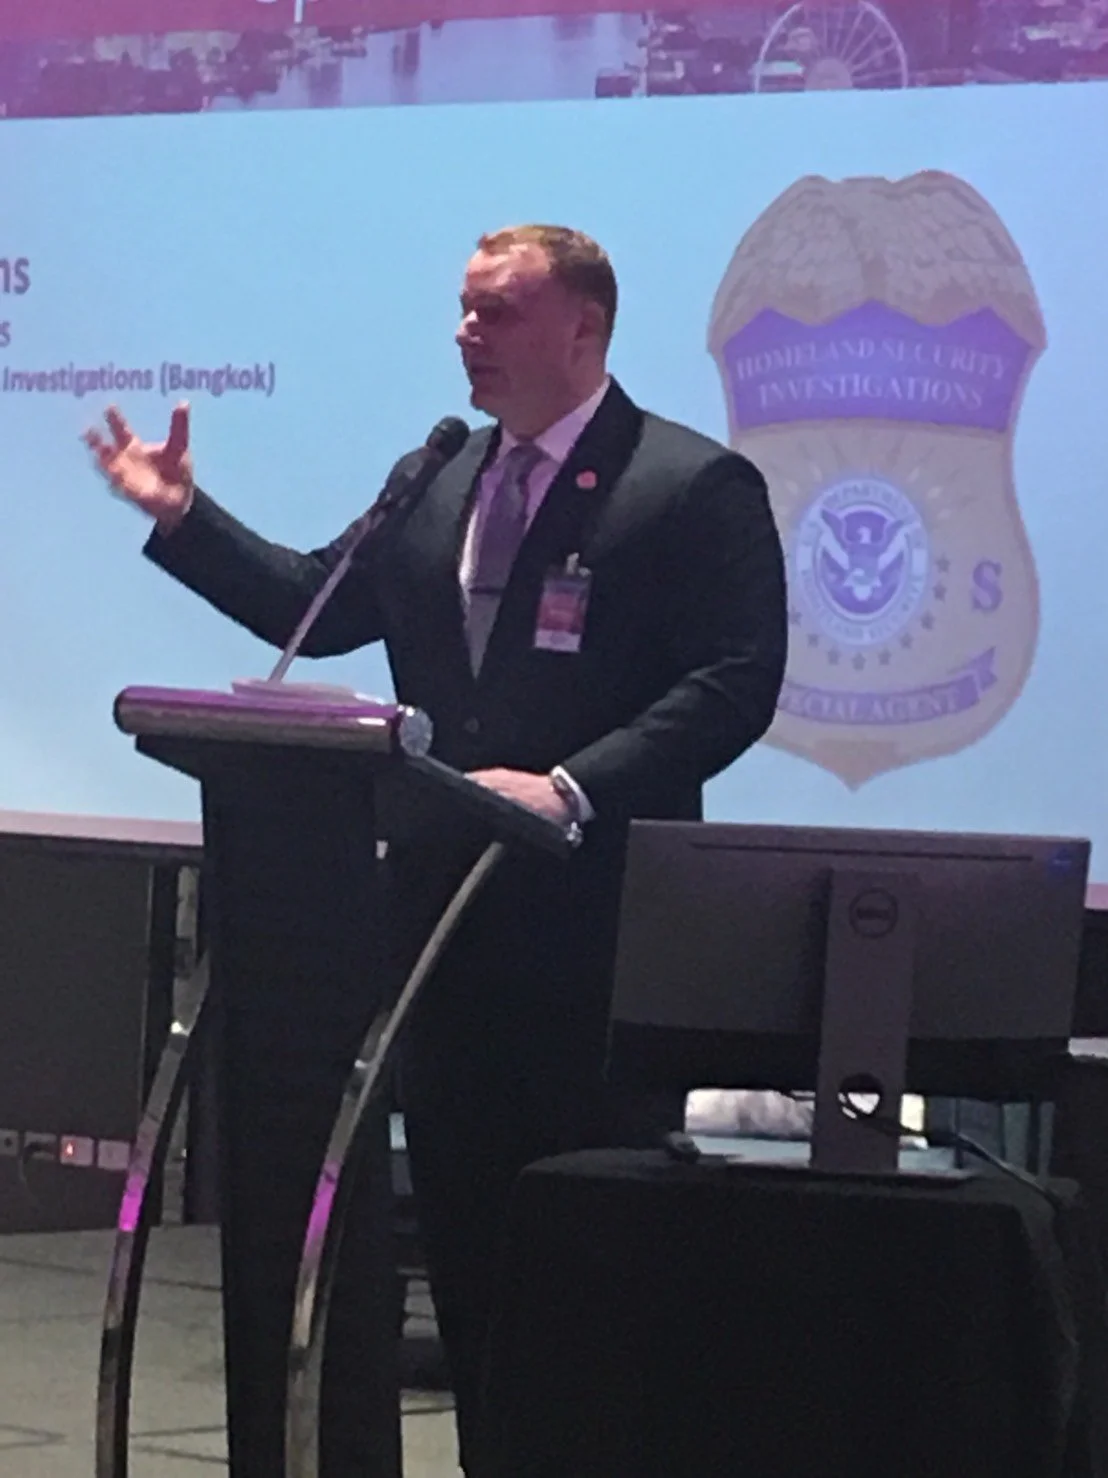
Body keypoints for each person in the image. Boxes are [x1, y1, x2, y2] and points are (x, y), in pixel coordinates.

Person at [86, 223, 787, 1476]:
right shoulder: (443, 481)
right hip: (439, 948)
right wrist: (184, 516)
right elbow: (319, 598)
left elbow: (734, 683)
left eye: (497, 312)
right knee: (467, 1263)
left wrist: (570, 784)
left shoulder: (686, 485)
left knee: (591, 1279)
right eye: (462, 311)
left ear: (583, 327)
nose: (466, 334)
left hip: (602, 943)